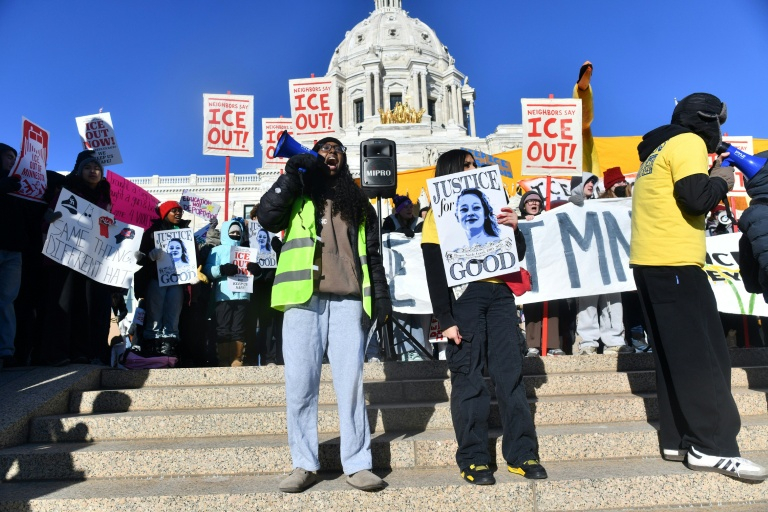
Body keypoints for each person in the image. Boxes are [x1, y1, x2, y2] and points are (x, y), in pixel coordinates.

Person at [631, 92, 766, 480]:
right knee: (705, 357)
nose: (719, 131)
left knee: (674, 358)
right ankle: (714, 447)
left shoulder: (655, 151)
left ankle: (678, 440)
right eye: (718, 123)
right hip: (676, 263)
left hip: (650, 263)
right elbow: (694, 199)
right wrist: (720, 181)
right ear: (706, 120)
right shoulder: (687, 142)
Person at [257, 137, 391, 493]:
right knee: (300, 384)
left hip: (348, 300)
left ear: (344, 159)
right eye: (324, 149)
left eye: (337, 149)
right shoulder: (298, 190)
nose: (331, 153)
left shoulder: (358, 201)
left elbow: (372, 254)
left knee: (351, 385)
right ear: (313, 157)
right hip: (302, 298)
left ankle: (358, 464)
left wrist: (381, 296)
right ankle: (303, 463)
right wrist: (291, 175)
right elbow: (267, 217)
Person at [422, 149, 547, 485]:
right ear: (450, 170)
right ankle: (474, 459)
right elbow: (434, 270)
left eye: (474, 165)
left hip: (501, 295)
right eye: (466, 165)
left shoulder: (494, 205)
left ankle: (522, 454)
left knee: (511, 375)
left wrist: (515, 228)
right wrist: (445, 318)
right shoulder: (436, 216)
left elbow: (516, 254)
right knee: (468, 378)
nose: (473, 168)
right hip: (465, 299)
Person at [40, 150, 115, 366]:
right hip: (63, 258)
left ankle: (82, 352)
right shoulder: (67, 192)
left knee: (85, 306)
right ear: (80, 171)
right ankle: (57, 353)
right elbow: (47, 222)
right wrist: (49, 219)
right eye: (88, 168)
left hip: (90, 261)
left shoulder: (105, 198)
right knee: (63, 304)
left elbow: (109, 230)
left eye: (97, 168)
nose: (93, 171)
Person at [569, 171, 632, 355]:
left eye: (593, 182)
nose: (591, 184)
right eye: (586, 182)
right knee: (588, 303)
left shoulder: (603, 203)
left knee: (613, 301)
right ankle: (587, 342)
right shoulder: (569, 206)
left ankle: (614, 341)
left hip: (610, 260)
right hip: (586, 263)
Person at [134, 201, 190, 357]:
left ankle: (169, 346)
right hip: (156, 279)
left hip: (178, 280)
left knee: (173, 313)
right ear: (165, 213)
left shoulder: (185, 232)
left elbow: (192, 256)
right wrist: (149, 257)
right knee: (155, 313)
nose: (178, 214)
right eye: (174, 211)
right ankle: (152, 345)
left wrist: (194, 273)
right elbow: (140, 258)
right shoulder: (151, 232)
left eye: (180, 211)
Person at [518, 190, 565, 356]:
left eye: (537, 201)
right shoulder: (518, 222)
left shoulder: (548, 219)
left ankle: (553, 344)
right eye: (530, 201)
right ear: (524, 205)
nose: (534, 203)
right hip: (529, 273)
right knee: (532, 307)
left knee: (552, 307)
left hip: (548, 270)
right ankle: (533, 345)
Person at [204, 219, 250, 367]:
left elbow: (252, 275)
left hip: (243, 294)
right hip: (223, 295)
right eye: (232, 232)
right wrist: (222, 270)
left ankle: (237, 358)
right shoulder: (217, 250)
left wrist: (256, 271)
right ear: (225, 233)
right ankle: (223, 359)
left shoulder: (246, 250)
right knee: (223, 327)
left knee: (239, 327)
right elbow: (208, 270)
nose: (236, 234)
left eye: (238, 232)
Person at [0, 143, 22, 368]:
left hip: (14, 251)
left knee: (7, 301)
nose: (12, 161)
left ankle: (6, 351)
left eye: (14, 158)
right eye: (8, 156)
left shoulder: (20, 186)